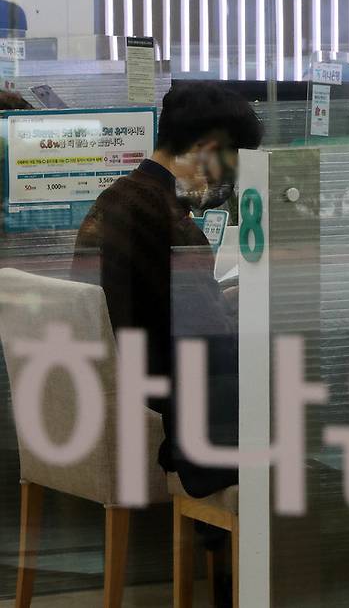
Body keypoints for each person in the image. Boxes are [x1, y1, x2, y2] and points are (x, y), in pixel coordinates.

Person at [72, 82, 263, 503]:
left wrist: (225, 299)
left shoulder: (120, 198)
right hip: (183, 408)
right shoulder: (168, 222)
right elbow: (212, 346)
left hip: (135, 378)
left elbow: (168, 306)